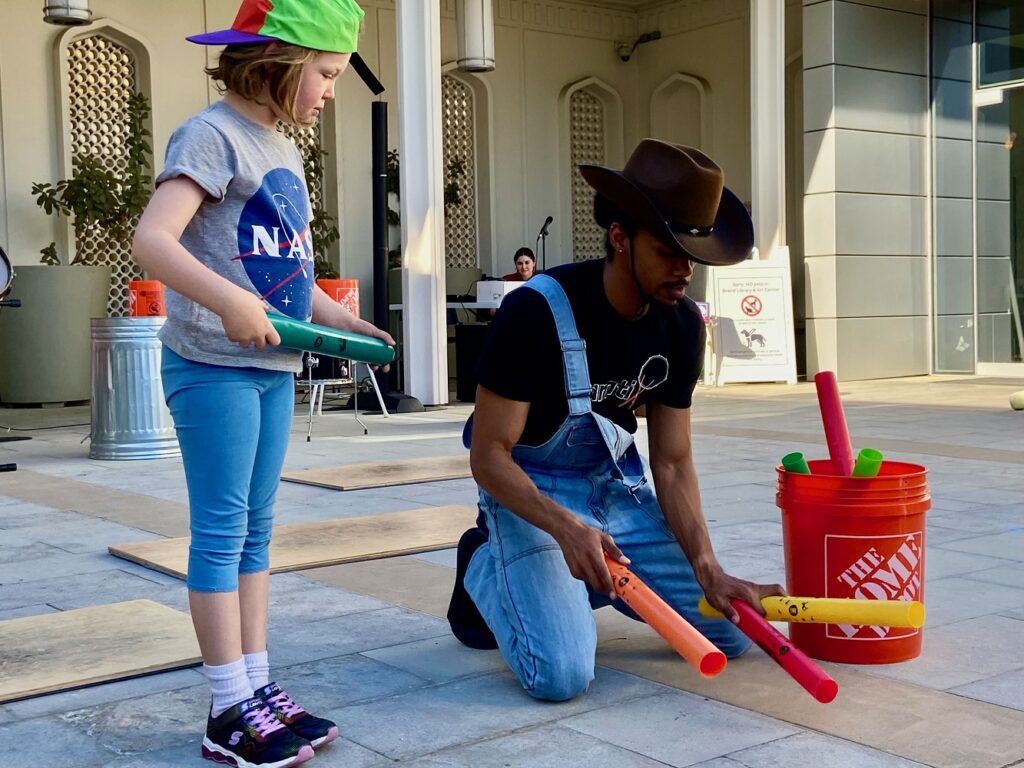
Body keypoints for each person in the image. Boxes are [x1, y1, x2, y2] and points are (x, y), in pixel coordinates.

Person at [132, 1, 393, 765]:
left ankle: (257, 686)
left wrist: (342, 322)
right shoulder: (210, 136)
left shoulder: (279, 146)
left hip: (270, 366)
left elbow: (280, 275)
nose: (330, 90)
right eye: (325, 73)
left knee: (255, 532)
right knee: (220, 533)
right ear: (278, 61)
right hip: (211, 365)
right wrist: (230, 304)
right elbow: (153, 240)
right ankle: (225, 709)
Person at [446, 139, 784, 701]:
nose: (684, 270)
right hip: (530, 493)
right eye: (668, 250)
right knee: (561, 676)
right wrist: (564, 528)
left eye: (693, 254)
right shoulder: (533, 312)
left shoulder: (681, 326)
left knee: (728, 630)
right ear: (620, 237)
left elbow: (672, 463)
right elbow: (488, 457)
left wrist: (707, 564)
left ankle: (562, 583)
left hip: (611, 491)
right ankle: (487, 563)